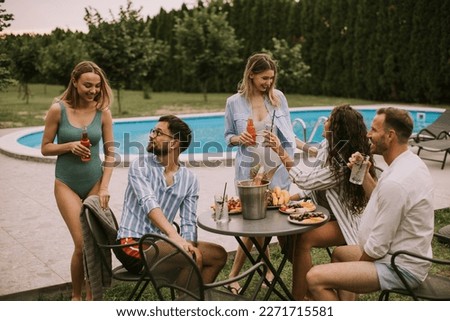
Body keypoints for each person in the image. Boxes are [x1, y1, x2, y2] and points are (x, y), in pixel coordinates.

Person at [305, 107, 434, 300]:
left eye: (374, 130)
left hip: (398, 265)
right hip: (400, 254)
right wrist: (364, 174)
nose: (368, 134)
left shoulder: (396, 182)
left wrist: (357, 266)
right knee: (340, 254)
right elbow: (381, 199)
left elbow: (377, 247)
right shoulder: (408, 163)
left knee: (314, 278)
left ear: (390, 136)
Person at [265, 104, 376, 300]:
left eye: (329, 121)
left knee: (303, 238)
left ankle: (299, 298)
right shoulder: (328, 146)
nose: (325, 122)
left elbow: (306, 179)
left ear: (337, 129)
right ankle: (310, 284)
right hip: (325, 214)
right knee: (287, 232)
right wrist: (290, 198)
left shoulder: (344, 163)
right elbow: (314, 181)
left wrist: (280, 151)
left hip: (346, 221)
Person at [115, 115, 227, 284]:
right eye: (153, 131)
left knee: (218, 255)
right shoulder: (140, 166)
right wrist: (175, 237)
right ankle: (189, 304)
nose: (151, 135)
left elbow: (188, 222)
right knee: (189, 257)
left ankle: (192, 302)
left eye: (158, 132)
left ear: (174, 143)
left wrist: (187, 243)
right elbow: (148, 203)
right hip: (132, 243)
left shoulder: (189, 179)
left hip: (162, 243)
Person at [41, 61, 115, 300]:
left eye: (97, 86)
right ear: (74, 82)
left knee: (93, 243)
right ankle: (76, 296)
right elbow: (45, 148)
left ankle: (92, 296)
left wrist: (104, 187)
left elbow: (111, 154)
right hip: (66, 184)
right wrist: (69, 146)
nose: (93, 91)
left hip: (94, 182)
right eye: (87, 85)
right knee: (82, 242)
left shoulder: (103, 112)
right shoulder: (58, 109)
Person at [224, 53, 296, 293]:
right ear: (251, 74)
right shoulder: (233, 102)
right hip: (249, 170)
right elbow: (227, 137)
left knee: (269, 220)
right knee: (253, 221)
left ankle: (261, 270)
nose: (268, 82)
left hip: (275, 167)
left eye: (271, 78)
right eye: (264, 78)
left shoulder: (278, 98)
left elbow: (288, 134)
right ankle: (244, 273)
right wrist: (238, 138)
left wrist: (291, 159)